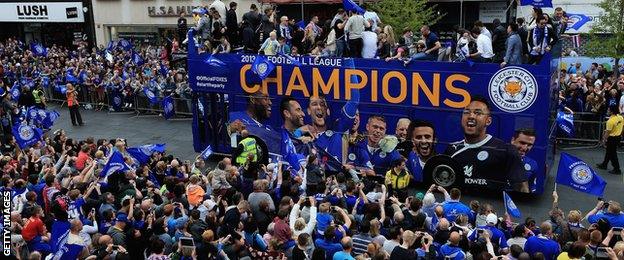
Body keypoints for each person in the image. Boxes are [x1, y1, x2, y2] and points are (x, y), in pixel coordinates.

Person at [445, 96, 529, 192]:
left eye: (478, 113)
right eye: (467, 112)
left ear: (488, 121)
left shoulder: (506, 151)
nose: (471, 116)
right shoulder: (451, 149)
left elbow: (522, 189)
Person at [511, 129, 540, 193]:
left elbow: (531, 189)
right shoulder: (497, 158)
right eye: (522, 143)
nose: (525, 148)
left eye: (529, 145)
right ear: (513, 140)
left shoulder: (533, 165)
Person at [596, 105, 623, 174]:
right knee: (609, 151)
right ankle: (604, 164)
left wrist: (603, 141)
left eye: (608, 110)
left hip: (612, 139)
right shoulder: (620, 118)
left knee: (612, 154)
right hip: (618, 137)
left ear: (611, 111)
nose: (607, 111)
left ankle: (617, 169)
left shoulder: (610, 121)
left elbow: (607, 133)